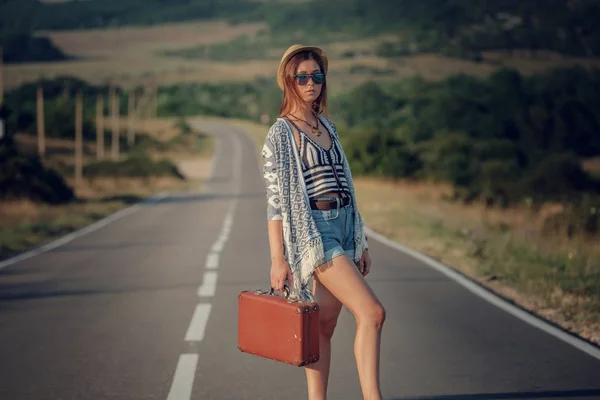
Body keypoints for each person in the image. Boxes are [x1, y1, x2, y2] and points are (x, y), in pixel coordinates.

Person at [261, 44, 386, 400]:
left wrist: (359, 241)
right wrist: (278, 258)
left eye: (317, 76)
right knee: (373, 313)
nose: (311, 83)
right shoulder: (281, 133)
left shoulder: (326, 125)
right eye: (302, 77)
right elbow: (276, 203)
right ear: (289, 81)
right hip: (315, 233)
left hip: (344, 226)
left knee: (324, 327)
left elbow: (345, 183)